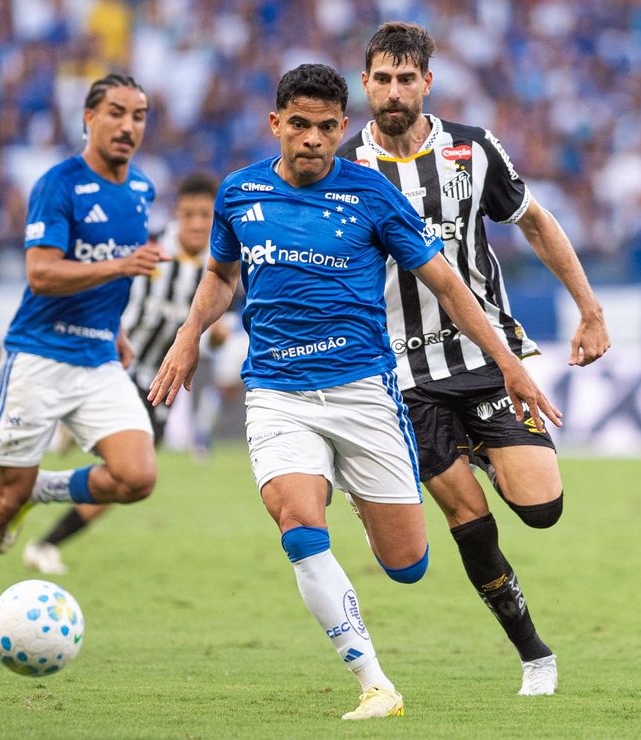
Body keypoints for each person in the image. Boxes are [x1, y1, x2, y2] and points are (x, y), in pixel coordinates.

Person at [148, 63, 562, 721]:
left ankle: (361, 500)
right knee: (299, 525)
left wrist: (508, 363)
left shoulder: (370, 194)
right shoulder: (238, 193)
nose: (311, 138)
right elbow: (221, 277)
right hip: (278, 392)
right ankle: (375, 684)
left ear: (342, 128)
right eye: (299, 125)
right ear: (275, 123)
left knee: (407, 565)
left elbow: (449, 286)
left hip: (365, 392)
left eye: (324, 127)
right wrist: (188, 334)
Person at [337, 22, 612, 696]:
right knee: (468, 520)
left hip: (486, 356)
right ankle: (534, 654)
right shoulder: (342, 169)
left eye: (407, 79)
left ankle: (484, 448)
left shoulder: (472, 149)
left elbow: (537, 223)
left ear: (427, 82)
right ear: (365, 83)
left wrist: (590, 308)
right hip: (403, 377)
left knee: (542, 507)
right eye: (382, 79)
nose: (394, 91)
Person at [0, 73, 168, 657]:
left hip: (99, 358)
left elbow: (110, 274)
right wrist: (123, 266)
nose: (128, 126)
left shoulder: (142, 190)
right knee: (1, 498)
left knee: (137, 477)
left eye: (139, 115)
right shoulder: (58, 184)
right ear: (88, 118)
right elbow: (43, 273)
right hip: (39, 357)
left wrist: (119, 330)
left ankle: (40, 490)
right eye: (116, 113)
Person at [22, 171, 220, 575]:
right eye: (190, 214)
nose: (198, 223)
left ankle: (44, 540)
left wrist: (219, 335)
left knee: (128, 483)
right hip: (117, 367)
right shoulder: (148, 248)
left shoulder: (222, 264)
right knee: (127, 471)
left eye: (205, 214)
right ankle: (67, 431)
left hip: (160, 390)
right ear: (177, 215)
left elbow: (217, 333)